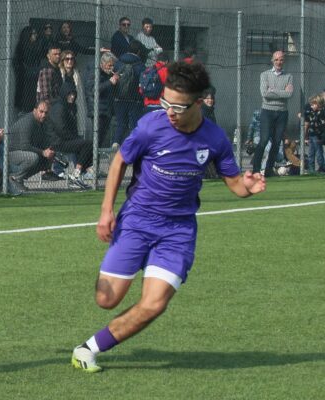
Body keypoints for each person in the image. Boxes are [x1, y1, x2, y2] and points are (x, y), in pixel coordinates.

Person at [71, 61, 266, 373]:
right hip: (137, 220)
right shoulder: (151, 126)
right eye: (165, 103)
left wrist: (249, 187)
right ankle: (129, 261)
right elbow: (120, 160)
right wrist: (106, 211)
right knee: (106, 300)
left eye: (178, 106)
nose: (170, 112)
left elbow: (235, 184)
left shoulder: (215, 138)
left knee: (154, 304)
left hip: (178, 231)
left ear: (199, 102)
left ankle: (87, 349)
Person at [252, 50, 293, 177]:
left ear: (284, 61)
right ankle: (256, 170)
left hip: (282, 113)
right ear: (272, 61)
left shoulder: (289, 76)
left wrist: (273, 90)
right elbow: (264, 94)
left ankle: (269, 170)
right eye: (276, 59)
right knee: (263, 141)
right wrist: (281, 92)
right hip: (267, 112)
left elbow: (289, 94)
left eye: (281, 59)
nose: (279, 62)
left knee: (277, 142)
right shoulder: (264, 75)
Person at [7, 100, 60, 194]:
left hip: (23, 152)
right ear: (34, 110)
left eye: (46, 112)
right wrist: (43, 152)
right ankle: (13, 178)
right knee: (32, 157)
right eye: (41, 111)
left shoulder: (43, 122)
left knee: (46, 159)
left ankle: (19, 179)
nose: (43, 115)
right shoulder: (28, 121)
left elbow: (45, 140)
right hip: (10, 153)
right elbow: (25, 145)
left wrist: (49, 151)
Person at [48, 83, 93, 189]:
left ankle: (80, 174)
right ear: (64, 94)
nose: (72, 97)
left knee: (86, 144)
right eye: (69, 94)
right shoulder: (58, 107)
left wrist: (76, 138)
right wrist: (76, 138)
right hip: (58, 142)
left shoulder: (70, 106)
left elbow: (71, 129)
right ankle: (76, 175)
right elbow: (61, 130)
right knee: (86, 144)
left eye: (73, 94)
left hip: (65, 139)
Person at [113, 40, 145, 149]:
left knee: (121, 124)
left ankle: (115, 144)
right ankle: (132, 148)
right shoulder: (140, 65)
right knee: (134, 126)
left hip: (119, 98)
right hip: (134, 100)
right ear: (139, 52)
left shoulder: (118, 62)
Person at [84, 51, 119, 148]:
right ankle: (91, 161)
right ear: (103, 63)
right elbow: (93, 90)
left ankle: (95, 161)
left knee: (101, 140)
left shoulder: (107, 73)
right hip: (97, 110)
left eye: (113, 65)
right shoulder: (95, 71)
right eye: (109, 65)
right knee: (96, 140)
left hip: (105, 110)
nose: (111, 68)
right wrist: (109, 82)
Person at [13, 26, 46, 113]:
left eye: (36, 34)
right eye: (33, 34)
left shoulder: (36, 46)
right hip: (25, 77)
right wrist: (25, 70)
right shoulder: (22, 47)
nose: (35, 36)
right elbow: (17, 62)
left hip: (35, 75)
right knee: (26, 98)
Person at [303, 94, 325, 174]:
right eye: (311, 105)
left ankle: (322, 167)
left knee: (319, 152)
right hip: (311, 134)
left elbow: (322, 125)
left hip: (317, 135)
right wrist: (306, 136)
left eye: (313, 105)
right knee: (310, 152)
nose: (312, 106)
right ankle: (311, 167)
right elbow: (308, 121)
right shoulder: (313, 112)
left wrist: (321, 135)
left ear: (318, 104)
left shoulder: (322, 112)